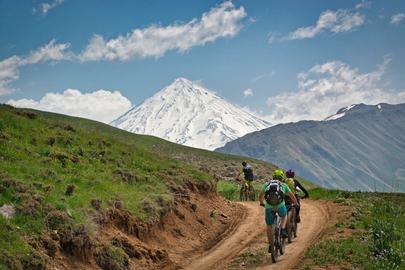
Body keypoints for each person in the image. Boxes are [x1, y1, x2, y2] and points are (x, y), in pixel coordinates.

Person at [259, 170, 298, 253]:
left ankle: (271, 245)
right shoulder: (283, 185)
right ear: (281, 178)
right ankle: (283, 229)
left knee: (269, 225)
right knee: (284, 216)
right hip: (280, 206)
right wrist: (296, 203)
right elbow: (292, 196)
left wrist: (261, 202)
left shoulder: (267, 184)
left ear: (273, 177)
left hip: (269, 207)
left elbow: (261, 195)